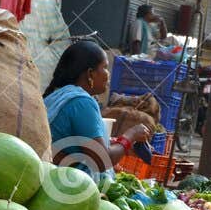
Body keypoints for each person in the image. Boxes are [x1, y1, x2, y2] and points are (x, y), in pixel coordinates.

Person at [44, 40, 150, 179]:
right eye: (105, 67)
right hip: (65, 185)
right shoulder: (81, 102)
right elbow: (101, 160)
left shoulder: (58, 95)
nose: (108, 74)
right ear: (90, 74)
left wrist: (117, 143)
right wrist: (130, 135)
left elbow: (78, 144)